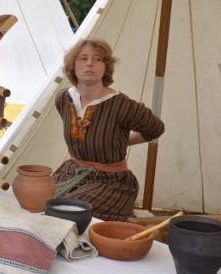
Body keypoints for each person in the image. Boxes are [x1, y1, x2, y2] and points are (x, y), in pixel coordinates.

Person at [51, 38, 165, 222]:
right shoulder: (64, 98)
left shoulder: (122, 105)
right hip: (71, 173)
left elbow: (156, 129)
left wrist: (122, 140)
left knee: (69, 210)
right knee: (40, 200)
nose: (90, 63)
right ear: (73, 66)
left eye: (97, 59)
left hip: (111, 182)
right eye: (83, 58)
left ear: (106, 68)